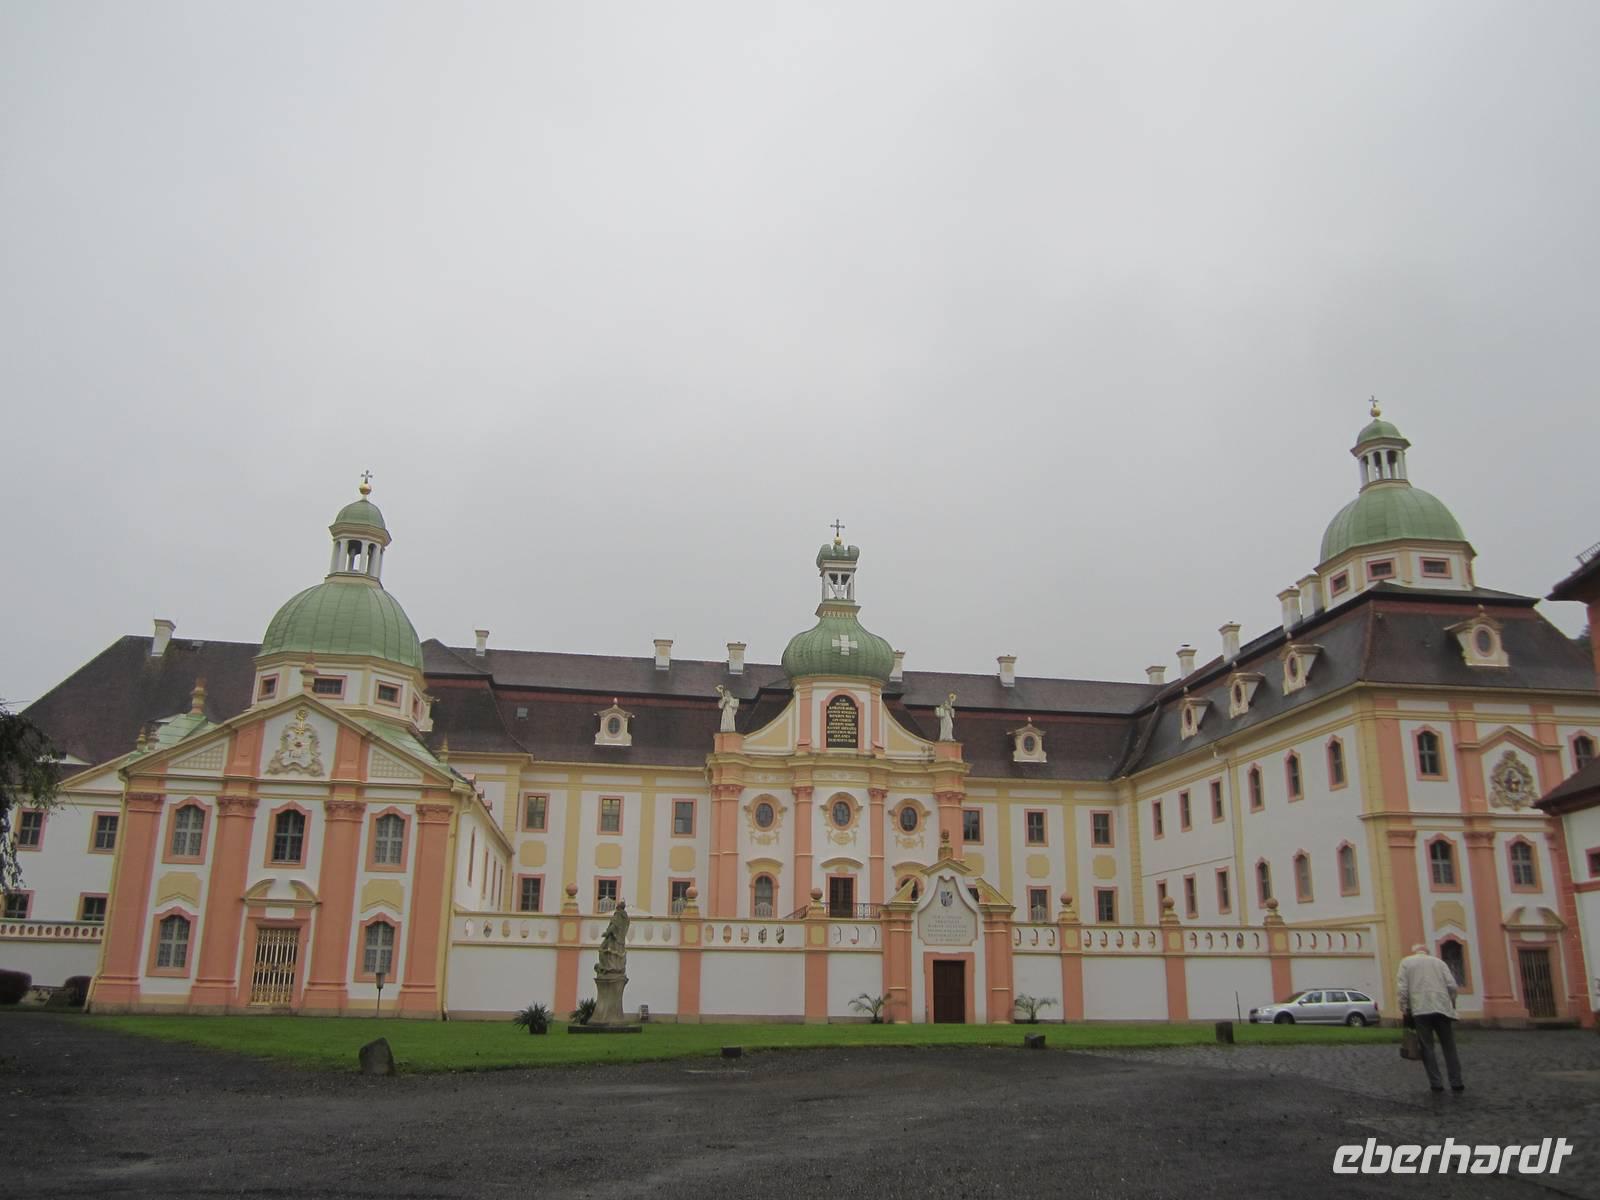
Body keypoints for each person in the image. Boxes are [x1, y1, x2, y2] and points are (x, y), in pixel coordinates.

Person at [1396, 943, 1464, 1093]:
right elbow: (1452, 986)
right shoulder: (1439, 962)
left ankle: (1436, 1083)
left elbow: (1402, 988)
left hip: (1420, 1008)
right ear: (1427, 952)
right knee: (1449, 1046)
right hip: (1442, 1008)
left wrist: (1404, 1008)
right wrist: (1451, 1002)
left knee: (1427, 1047)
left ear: (1414, 952)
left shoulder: (1406, 962)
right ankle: (1456, 1081)